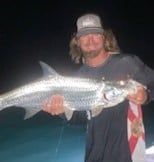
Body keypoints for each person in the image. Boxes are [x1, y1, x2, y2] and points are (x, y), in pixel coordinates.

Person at [43, 13, 154, 162]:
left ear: (104, 37)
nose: (90, 40)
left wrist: (145, 95)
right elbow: (83, 117)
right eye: (84, 36)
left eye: (95, 34)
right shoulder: (78, 78)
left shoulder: (126, 62)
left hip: (128, 154)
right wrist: (62, 111)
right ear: (77, 41)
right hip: (94, 155)